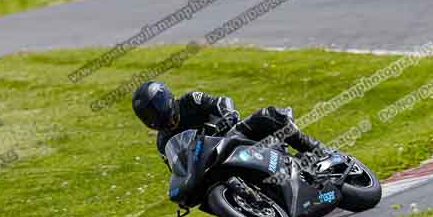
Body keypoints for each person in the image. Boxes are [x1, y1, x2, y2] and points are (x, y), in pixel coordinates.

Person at [132, 81, 329, 165]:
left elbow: (221, 101)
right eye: (148, 115)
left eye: (155, 109)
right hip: (211, 162)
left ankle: (319, 151)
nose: (155, 116)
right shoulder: (163, 143)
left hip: (233, 137)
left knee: (268, 116)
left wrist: (228, 116)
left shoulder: (191, 100)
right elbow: (178, 168)